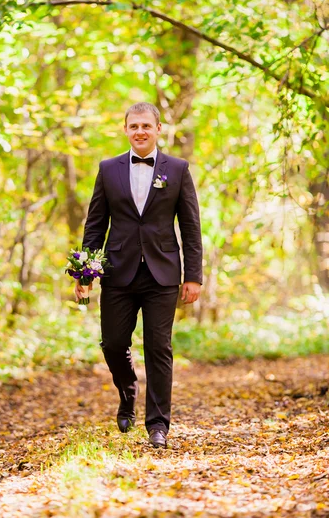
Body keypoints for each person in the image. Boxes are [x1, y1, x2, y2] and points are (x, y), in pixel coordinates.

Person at [75, 102, 203, 448]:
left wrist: (194, 275)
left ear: (158, 129)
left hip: (163, 273)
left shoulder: (177, 169)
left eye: (146, 126)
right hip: (118, 272)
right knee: (114, 343)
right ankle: (127, 390)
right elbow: (95, 225)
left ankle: (158, 425)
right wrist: (85, 272)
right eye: (134, 126)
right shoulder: (109, 169)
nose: (140, 132)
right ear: (126, 129)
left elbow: (191, 227)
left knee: (159, 347)